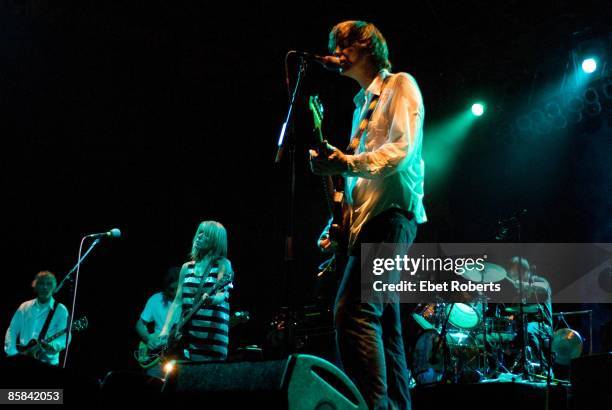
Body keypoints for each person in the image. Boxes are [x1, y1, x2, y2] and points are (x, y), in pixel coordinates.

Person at [310, 20, 426, 409]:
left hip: (391, 218)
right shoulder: (362, 105)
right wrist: (337, 219)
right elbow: (359, 183)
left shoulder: (400, 85)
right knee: (386, 329)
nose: (338, 52)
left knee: (354, 311)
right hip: (369, 223)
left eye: (345, 45)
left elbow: (400, 151)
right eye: (335, 45)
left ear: (368, 47)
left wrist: (346, 161)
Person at [153, 221, 234, 362]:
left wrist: (211, 299)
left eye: (205, 235)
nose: (199, 236)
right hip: (189, 337)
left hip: (212, 337)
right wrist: (166, 329)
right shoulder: (186, 268)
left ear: (216, 241)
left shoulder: (223, 264)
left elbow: (221, 295)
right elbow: (178, 302)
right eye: (199, 233)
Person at [4, 271, 69, 366]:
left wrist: (54, 346)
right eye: (41, 283)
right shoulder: (25, 306)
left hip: (48, 361)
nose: (45, 287)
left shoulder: (60, 310)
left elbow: (65, 336)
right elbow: (12, 330)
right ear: (35, 286)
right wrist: (13, 352)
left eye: (49, 284)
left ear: (54, 287)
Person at [506, 256, 553, 374]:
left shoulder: (539, 281)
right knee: (502, 335)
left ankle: (544, 370)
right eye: (512, 277)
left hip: (542, 325)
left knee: (529, 330)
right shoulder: (519, 293)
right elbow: (513, 311)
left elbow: (544, 288)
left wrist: (523, 285)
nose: (514, 279)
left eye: (516, 275)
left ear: (526, 272)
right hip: (522, 326)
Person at [135, 266, 180, 376]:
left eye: (177, 289)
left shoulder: (189, 301)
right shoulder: (156, 299)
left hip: (180, 355)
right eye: (171, 289)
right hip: (158, 358)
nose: (174, 293)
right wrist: (149, 338)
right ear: (165, 288)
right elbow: (140, 324)